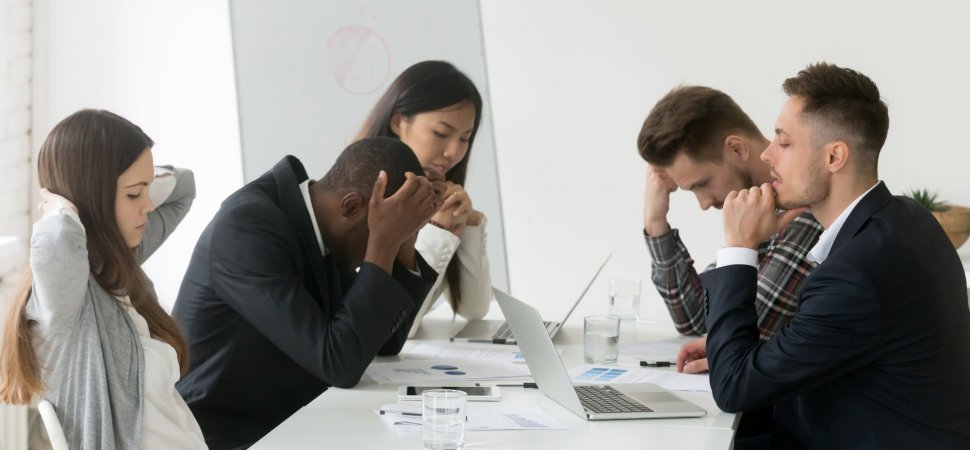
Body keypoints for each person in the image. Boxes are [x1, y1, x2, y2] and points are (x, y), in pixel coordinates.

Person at [698, 62, 970, 448]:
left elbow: (733, 389)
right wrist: (740, 350)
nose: (767, 156)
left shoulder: (857, 273)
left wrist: (739, 246)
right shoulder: (906, 219)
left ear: (834, 157)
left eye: (785, 142)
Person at [173, 138, 441, 448]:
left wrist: (404, 236)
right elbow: (338, 364)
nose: (385, 239)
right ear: (352, 206)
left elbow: (385, 343)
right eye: (385, 228)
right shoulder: (246, 229)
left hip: (297, 418)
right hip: (226, 434)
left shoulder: (321, 224)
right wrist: (383, 242)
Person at [0, 109, 203, 449]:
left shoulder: (115, 263)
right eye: (134, 195)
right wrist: (62, 205)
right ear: (90, 199)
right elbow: (55, 245)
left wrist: (142, 183)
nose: (148, 205)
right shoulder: (67, 301)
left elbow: (185, 186)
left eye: (146, 191)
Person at [637, 86, 823, 372]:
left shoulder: (807, 211)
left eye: (701, 184)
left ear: (736, 149)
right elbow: (697, 320)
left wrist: (739, 243)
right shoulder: (763, 207)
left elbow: (736, 338)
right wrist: (656, 224)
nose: (703, 203)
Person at [356, 60, 491, 337]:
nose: (453, 152)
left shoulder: (436, 193)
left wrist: (470, 226)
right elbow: (391, 330)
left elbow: (473, 309)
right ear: (398, 122)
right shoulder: (365, 199)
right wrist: (438, 231)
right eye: (441, 133)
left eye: (465, 138)